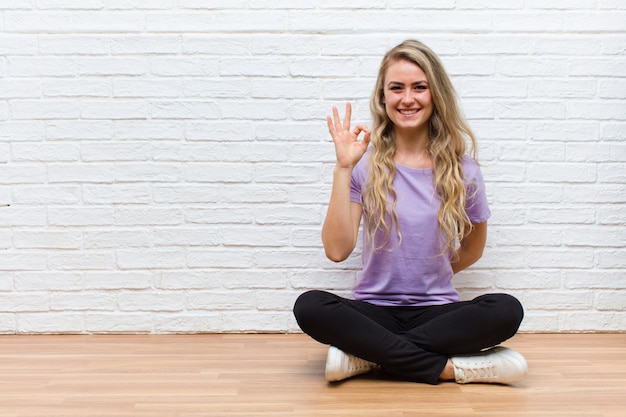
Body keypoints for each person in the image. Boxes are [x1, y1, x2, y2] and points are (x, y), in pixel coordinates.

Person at [293, 40, 527, 385]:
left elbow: (474, 248)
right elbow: (337, 250)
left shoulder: (465, 171)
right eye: (396, 88)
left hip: (437, 314)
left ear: (436, 94)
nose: (407, 98)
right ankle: (451, 368)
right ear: (383, 97)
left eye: (419, 87)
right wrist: (343, 169)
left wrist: (428, 271)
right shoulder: (364, 166)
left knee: (506, 309)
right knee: (310, 306)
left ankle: (368, 358)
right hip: (374, 312)